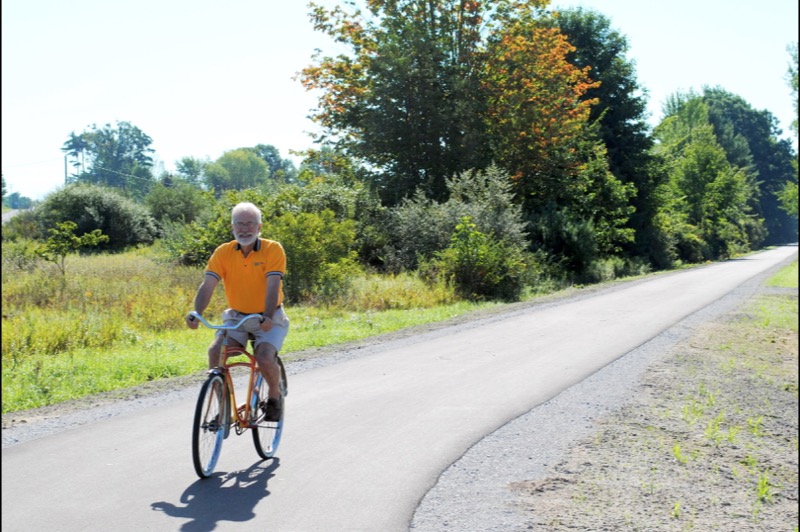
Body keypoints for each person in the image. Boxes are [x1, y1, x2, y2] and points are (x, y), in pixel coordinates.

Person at [186, 201, 289, 422]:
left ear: (259, 227)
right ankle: (223, 408)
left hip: (269, 316)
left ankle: (274, 396)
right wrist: (196, 312)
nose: (245, 229)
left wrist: (268, 316)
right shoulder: (223, 252)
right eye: (240, 224)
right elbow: (208, 285)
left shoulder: (273, 249)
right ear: (233, 228)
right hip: (237, 317)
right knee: (216, 352)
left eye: (250, 224)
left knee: (263, 356)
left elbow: (272, 286)